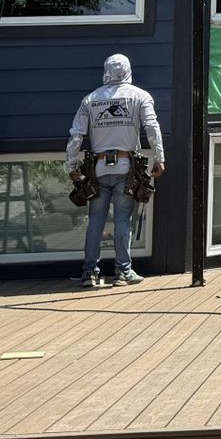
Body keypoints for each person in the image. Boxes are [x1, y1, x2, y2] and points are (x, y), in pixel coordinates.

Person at [67, 54, 165, 288]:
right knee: (123, 220)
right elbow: (152, 127)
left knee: (95, 222)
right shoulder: (140, 96)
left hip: (98, 169)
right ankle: (123, 272)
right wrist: (160, 157)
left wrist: (70, 164)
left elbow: (77, 134)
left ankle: (89, 272)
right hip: (126, 168)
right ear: (128, 70)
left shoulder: (90, 99)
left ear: (106, 71)